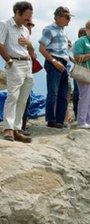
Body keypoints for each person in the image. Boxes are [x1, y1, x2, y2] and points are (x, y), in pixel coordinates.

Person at [0, 1, 34, 142]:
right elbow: (0, 44)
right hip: (14, 63)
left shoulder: (25, 29)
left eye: (30, 16)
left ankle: (17, 129)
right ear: (18, 12)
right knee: (13, 96)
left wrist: (29, 44)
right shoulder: (4, 24)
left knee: (23, 98)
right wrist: (9, 61)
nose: (29, 19)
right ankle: (8, 129)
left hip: (27, 63)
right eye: (27, 16)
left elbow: (31, 50)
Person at [39, 6, 72, 129]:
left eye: (69, 17)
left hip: (64, 62)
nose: (69, 19)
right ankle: (51, 120)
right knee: (53, 92)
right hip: (54, 62)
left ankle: (59, 120)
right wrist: (54, 61)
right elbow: (42, 48)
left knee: (63, 93)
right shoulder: (49, 29)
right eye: (67, 17)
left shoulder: (63, 31)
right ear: (58, 17)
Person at [20, 18, 37, 136]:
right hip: (20, 72)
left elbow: (32, 55)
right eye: (28, 25)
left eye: (31, 25)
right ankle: (18, 127)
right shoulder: (21, 38)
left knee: (26, 99)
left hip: (27, 72)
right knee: (20, 99)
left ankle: (22, 127)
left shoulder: (28, 39)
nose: (30, 27)